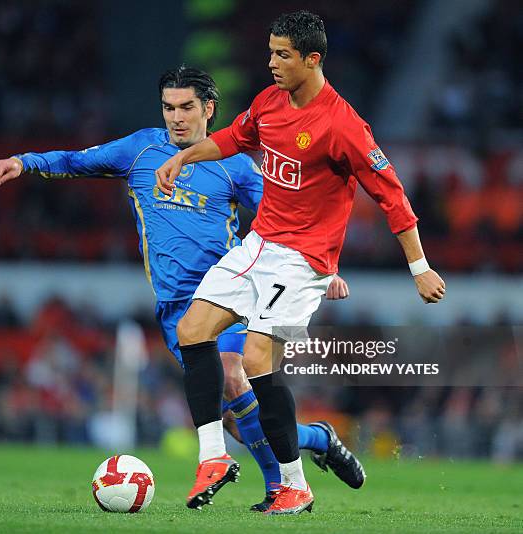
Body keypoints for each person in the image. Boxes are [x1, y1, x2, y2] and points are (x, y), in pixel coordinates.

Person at [0, 66, 357, 512]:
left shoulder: (234, 164)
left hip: (234, 298)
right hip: (176, 309)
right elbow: (76, 160)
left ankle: (280, 489)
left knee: (234, 371)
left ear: (208, 110)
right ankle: (318, 438)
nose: (176, 117)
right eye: (168, 107)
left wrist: (323, 268)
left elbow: (284, 220)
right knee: (243, 420)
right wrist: (25, 161)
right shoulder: (139, 150)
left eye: (186, 107)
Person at [156, 11, 446, 515]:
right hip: (259, 243)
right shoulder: (270, 102)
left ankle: (294, 486)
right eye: (270, 52)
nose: (271, 63)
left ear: (312, 59)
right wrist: (184, 158)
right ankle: (214, 458)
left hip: (303, 260)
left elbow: (391, 194)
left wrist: (419, 267)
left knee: (254, 361)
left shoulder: (343, 124)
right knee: (193, 329)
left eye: (282, 55)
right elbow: (232, 138)